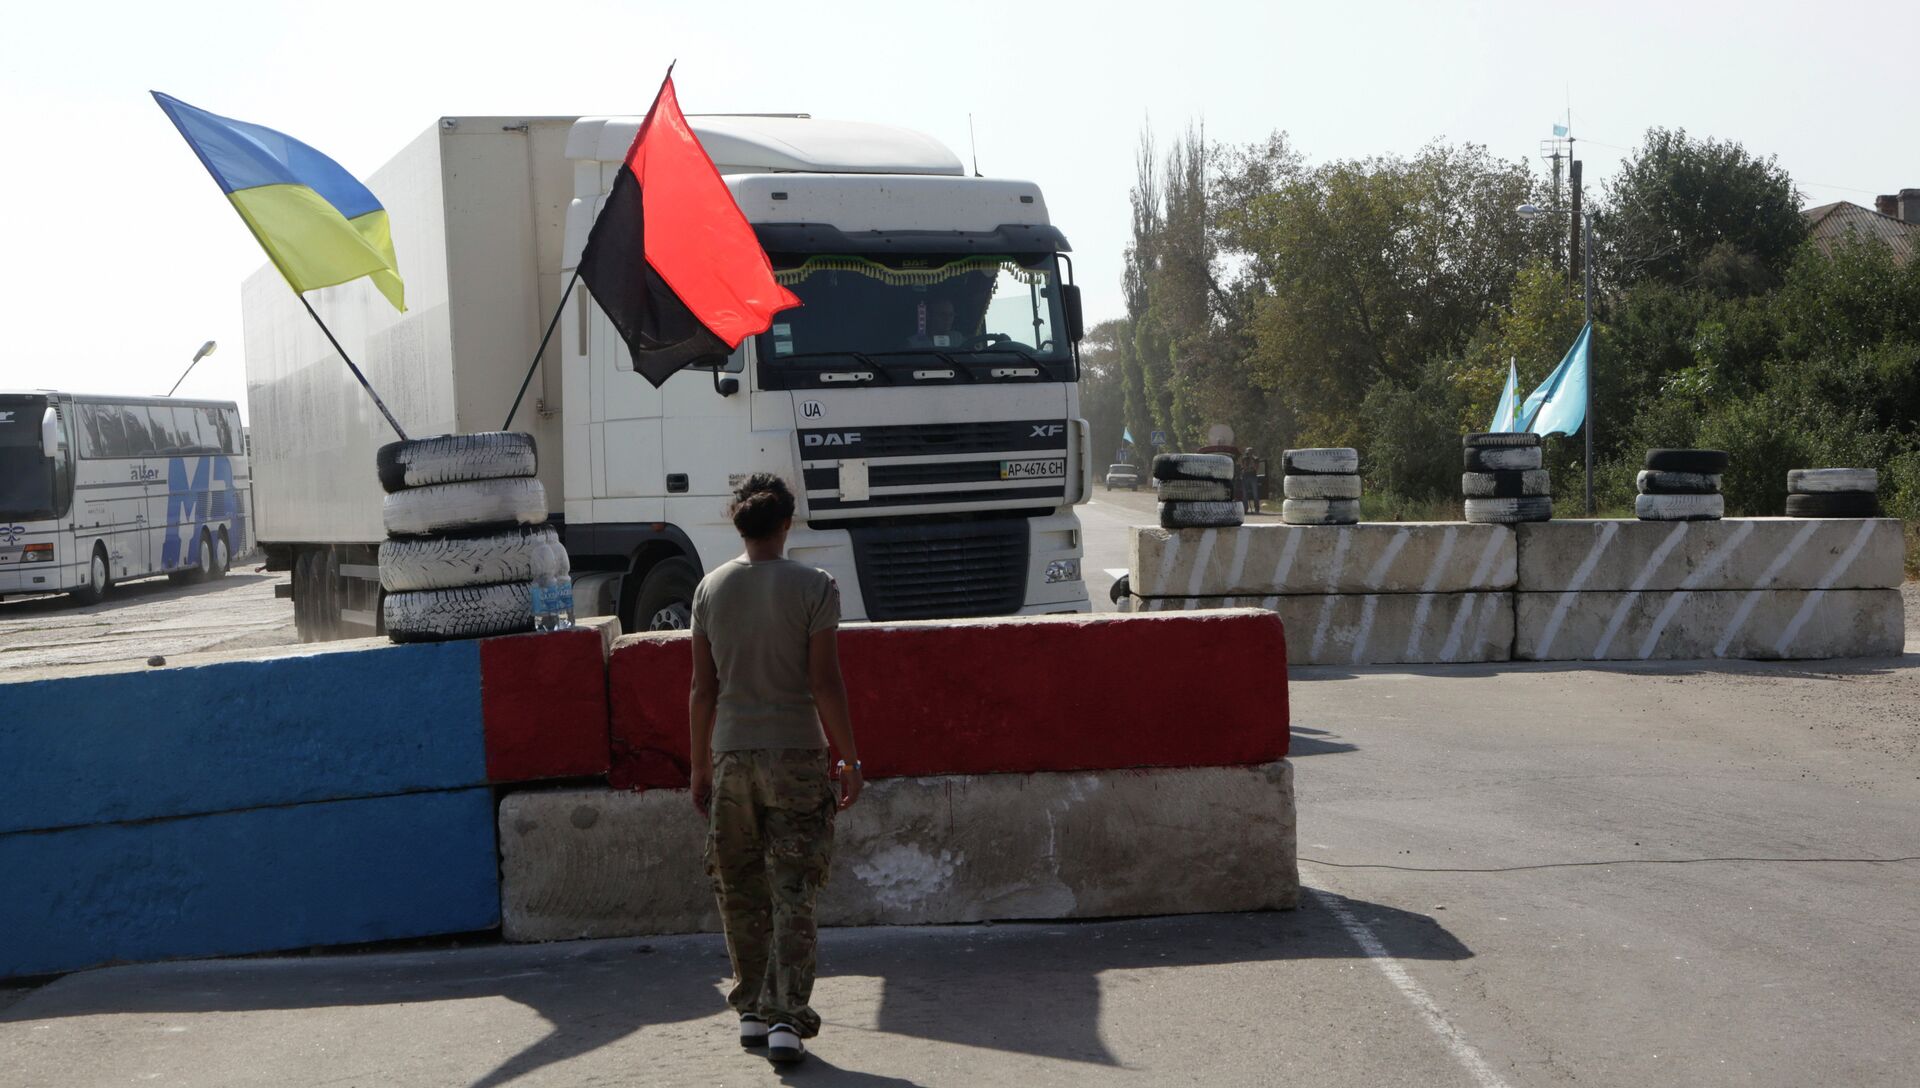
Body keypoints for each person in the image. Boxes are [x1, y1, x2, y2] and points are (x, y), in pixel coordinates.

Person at [689, 473, 863, 1065]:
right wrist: (849, 758)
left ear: (740, 523)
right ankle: (787, 1018)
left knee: (739, 886)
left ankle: (752, 1012)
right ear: (787, 523)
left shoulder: (709, 589)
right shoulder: (816, 586)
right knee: (794, 889)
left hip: (730, 758)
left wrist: (700, 767)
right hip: (796, 758)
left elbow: (702, 691)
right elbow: (825, 683)